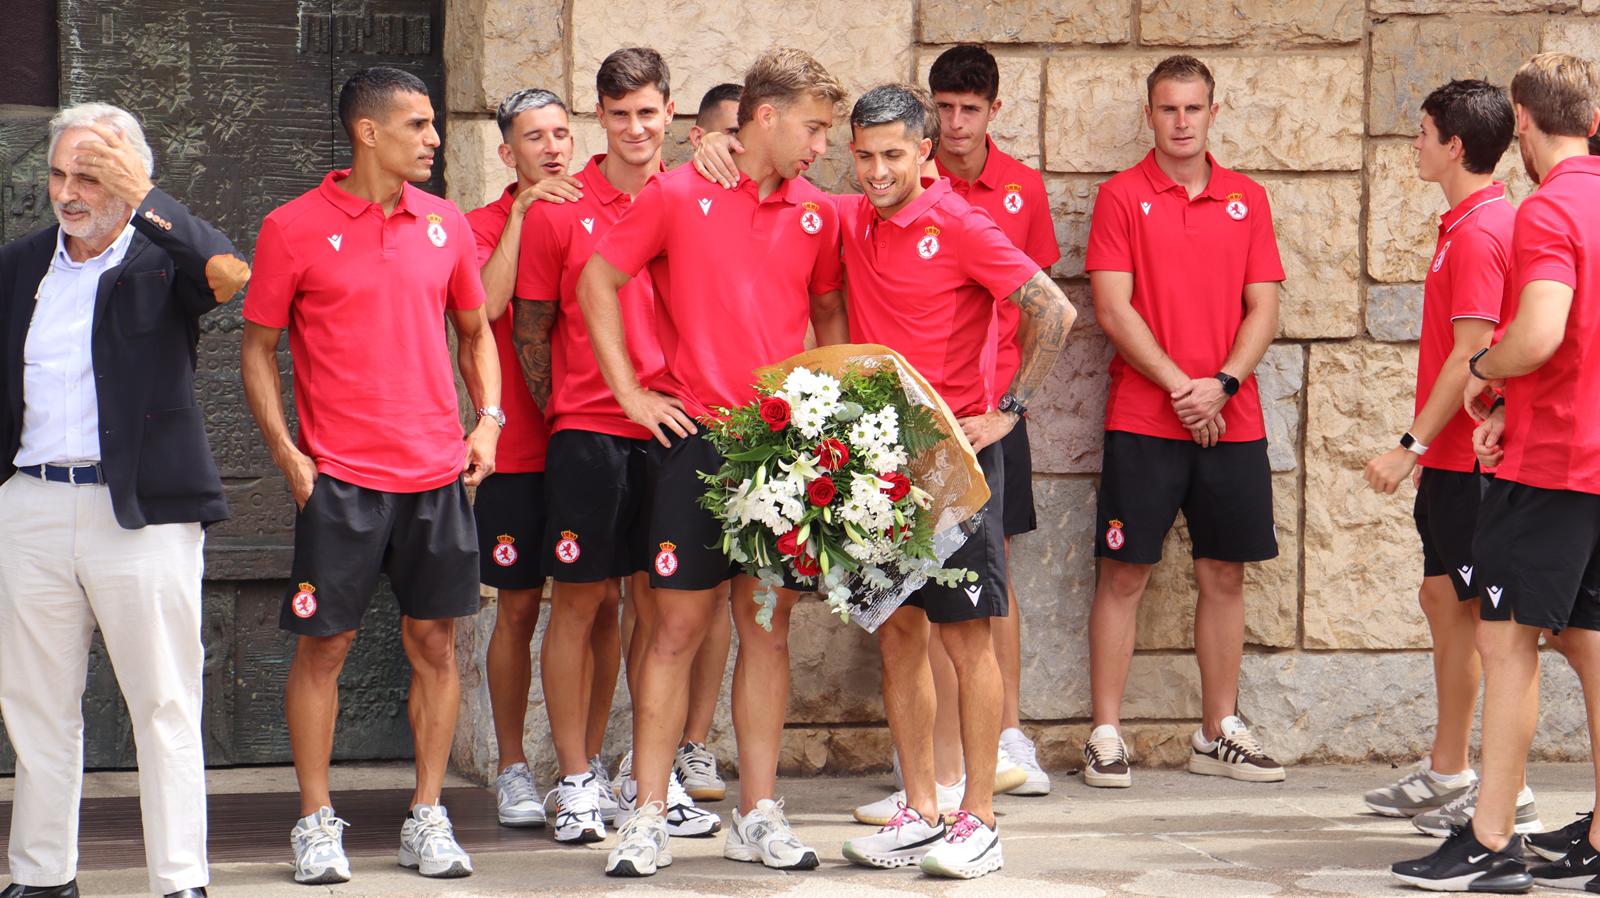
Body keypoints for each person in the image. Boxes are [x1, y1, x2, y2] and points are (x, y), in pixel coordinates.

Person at [579, 47, 847, 878]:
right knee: (675, 631)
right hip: (696, 446)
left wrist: (825, 421)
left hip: (782, 449)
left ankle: (757, 814)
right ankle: (649, 813)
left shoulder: (821, 213)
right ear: (763, 117)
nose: (820, 146)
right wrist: (630, 394)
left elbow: (831, 314)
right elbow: (596, 279)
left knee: (766, 632)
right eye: (811, 127)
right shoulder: (677, 192)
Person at [241, 66, 501, 884]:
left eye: (432, 124)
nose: (433, 139)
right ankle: (316, 824)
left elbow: (475, 332)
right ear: (369, 132)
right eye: (419, 125)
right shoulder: (290, 227)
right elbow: (257, 350)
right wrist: (288, 453)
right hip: (342, 480)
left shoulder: (445, 223)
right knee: (326, 647)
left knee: (436, 645)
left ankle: (428, 816)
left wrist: (486, 419)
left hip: (435, 477)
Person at [0, 102, 248, 898]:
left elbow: (231, 275)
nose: (68, 192)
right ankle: (42, 877)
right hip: (32, 503)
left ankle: (179, 881)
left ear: (130, 180)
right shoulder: (20, 265)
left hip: (138, 513)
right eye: (59, 174)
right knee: (36, 708)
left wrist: (147, 200)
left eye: (89, 175)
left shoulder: (164, 261)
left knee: (165, 702)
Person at [828, 84, 1075, 879]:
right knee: (900, 634)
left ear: (925, 154)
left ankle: (981, 818)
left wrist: (1008, 411)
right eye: (863, 156)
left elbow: (1052, 309)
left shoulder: (963, 223)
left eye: (892, 156)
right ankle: (921, 810)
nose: (874, 171)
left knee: (967, 642)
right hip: (880, 460)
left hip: (954, 459)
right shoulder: (854, 218)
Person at [1392, 52, 1600, 894]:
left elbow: (1543, 330)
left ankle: (1490, 838)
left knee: (1506, 641)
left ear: (1521, 120)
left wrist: (1486, 374)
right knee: (1590, 643)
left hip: (1552, 465)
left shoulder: (1548, 211)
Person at [513, 47, 720, 845]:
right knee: (581, 602)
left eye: (648, 112)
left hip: (677, 428)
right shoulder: (559, 207)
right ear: (600, 116)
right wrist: (568, 409)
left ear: (671, 113)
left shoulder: (699, 196)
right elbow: (533, 330)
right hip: (590, 436)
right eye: (620, 113)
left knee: (660, 608)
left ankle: (649, 782)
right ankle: (574, 782)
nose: (635, 128)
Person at [1083, 54, 1286, 788]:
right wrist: (1181, 388)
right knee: (1124, 572)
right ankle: (1105, 732)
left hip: (1234, 415)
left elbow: (1263, 305)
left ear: (1213, 112)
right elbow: (1111, 307)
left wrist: (1222, 385)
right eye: (1167, 108)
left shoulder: (1247, 198)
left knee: (1224, 573)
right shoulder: (1119, 197)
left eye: (1193, 108)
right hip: (1145, 415)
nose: (1180, 121)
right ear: (1150, 114)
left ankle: (1217, 730)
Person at [1360, 81, 1530, 828]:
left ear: (1456, 144)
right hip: (1452, 458)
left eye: (1424, 132)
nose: (1416, 143)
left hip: (1472, 461)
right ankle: (1449, 771)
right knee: (1443, 601)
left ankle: (1504, 792)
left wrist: (1409, 446)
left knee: (1487, 621)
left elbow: (1473, 353)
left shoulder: (1485, 229)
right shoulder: (1461, 222)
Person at [928, 46, 1061, 796]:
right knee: (921, 581)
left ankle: (1009, 734)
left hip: (993, 416)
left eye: (968, 110)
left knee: (994, 568)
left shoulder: (1020, 188)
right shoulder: (908, 176)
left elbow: (1040, 303)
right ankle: (938, 757)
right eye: (943, 107)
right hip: (923, 409)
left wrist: (1013, 405)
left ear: (994, 111)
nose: (953, 124)